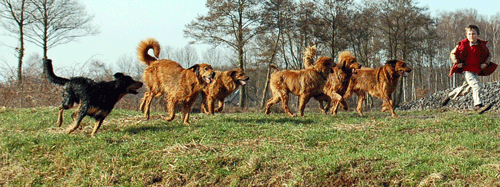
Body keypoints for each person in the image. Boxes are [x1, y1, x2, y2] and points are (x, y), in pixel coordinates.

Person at [442, 25, 495, 114]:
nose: (471, 36)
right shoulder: (463, 45)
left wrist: (485, 63)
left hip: (476, 71)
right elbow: (453, 53)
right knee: (476, 85)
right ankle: (478, 106)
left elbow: (489, 55)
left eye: (473, 34)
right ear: (466, 35)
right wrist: (457, 62)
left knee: (465, 89)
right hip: (467, 70)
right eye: (469, 34)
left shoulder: (482, 46)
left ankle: (449, 96)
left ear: (478, 35)